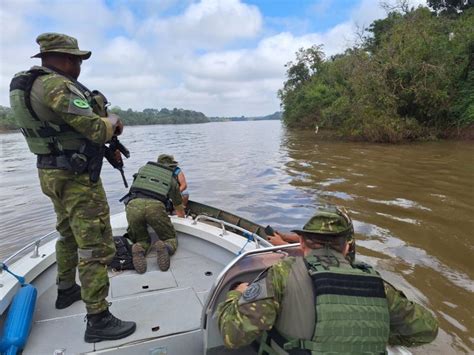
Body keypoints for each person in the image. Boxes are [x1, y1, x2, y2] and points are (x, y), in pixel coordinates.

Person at [9, 33, 136, 343]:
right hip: (76, 179)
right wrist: (114, 121)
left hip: (50, 173)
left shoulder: (25, 83)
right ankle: (98, 319)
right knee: (95, 245)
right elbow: (94, 127)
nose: (79, 65)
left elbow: (62, 130)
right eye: (78, 60)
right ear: (65, 59)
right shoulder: (56, 85)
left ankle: (66, 288)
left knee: (67, 232)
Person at [217, 206, 438, 354]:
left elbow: (232, 335)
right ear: (347, 247)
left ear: (302, 245)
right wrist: (375, 332)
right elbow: (428, 329)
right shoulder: (376, 284)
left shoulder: (281, 274)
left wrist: (237, 293)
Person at [122, 156, 185, 274]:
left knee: (141, 238)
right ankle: (165, 247)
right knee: (170, 238)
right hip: (155, 208)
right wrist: (182, 219)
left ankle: (139, 248)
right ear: (171, 166)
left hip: (132, 207)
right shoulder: (171, 180)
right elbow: (178, 206)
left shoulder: (142, 173)